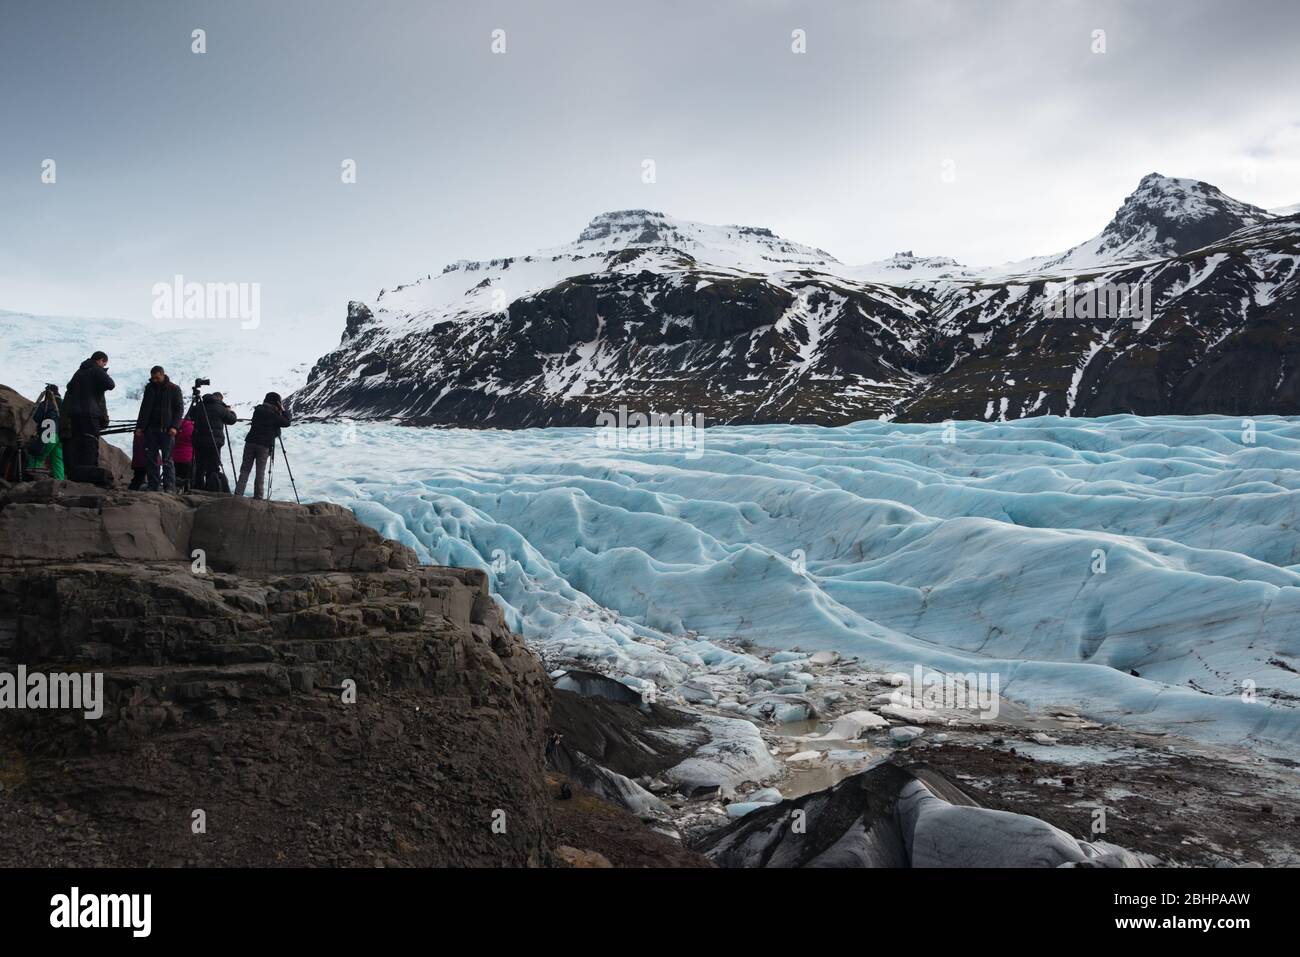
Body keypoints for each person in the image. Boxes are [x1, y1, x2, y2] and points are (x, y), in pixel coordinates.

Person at [63, 351, 115, 478]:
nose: (104, 366)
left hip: (75, 415)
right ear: (101, 360)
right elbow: (110, 384)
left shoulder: (79, 372)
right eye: (104, 364)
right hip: (90, 414)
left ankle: (78, 475)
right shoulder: (96, 370)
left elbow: (69, 387)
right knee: (90, 443)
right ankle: (91, 475)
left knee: (78, 445)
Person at [134, 366, 184, 493]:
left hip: (167, 429)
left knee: (167, 459)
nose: (155, 380)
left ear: (162, 375)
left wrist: (174, 426)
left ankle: (169, 487)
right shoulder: (149, 388)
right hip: (150, 429)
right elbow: (144, 408)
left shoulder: (174, 389)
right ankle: (153, 485)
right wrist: (139, 427)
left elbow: (179, 410)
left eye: (157, 377)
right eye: (153, 378)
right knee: (151, 458)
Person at [234, 392, 291, 499]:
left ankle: (238, 494)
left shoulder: (258, 410)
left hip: (250, 442)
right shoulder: (274, 414)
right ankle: (258, 497)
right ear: (277, 402)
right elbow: (287, 422)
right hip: (264, 445)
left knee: (245, 469)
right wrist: (282, 410)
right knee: (260, 471)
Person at [189, 391, 237, 492]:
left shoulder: (199, 405)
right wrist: (230, 411)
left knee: (199, 466)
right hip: (214, 442)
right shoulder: (220, 408)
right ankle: (212, 489)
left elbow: (190, 416)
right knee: (213, 467)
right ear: (220, 399)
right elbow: (232, 420)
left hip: (199, 441)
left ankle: (197, 488)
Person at [24, 384, 65, 480]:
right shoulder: (63, 404)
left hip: (49, 433)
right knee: (57, 460)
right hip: (61, 435)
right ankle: (60, 482)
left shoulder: (46, 403)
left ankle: (35, 482)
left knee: (36, 456)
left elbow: (37, 417)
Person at [172, 416, 195, 491]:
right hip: (187, 457)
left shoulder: (176, 426)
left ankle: (175, 490)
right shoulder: (192, 427)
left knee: (176, 476)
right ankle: (186, 490)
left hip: (174, 457)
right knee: (186, 478)